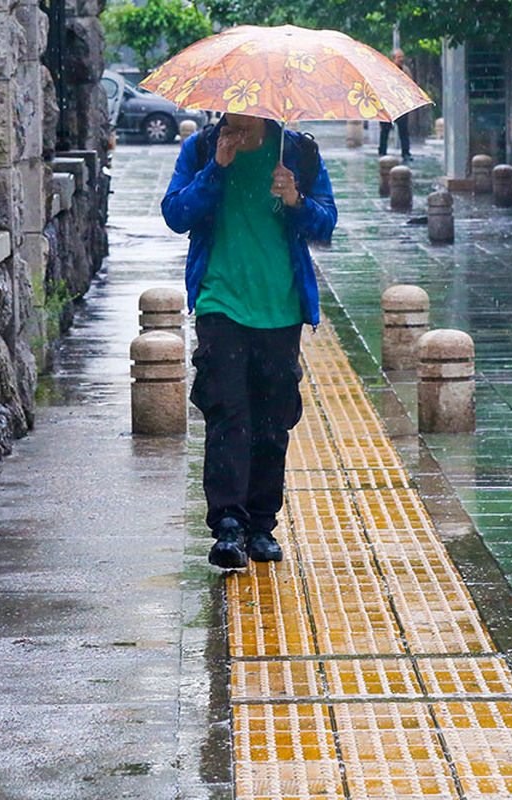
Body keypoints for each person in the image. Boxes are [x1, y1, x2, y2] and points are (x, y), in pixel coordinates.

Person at [161, 113, 337, 569]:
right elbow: (176, 214)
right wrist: (215, 169)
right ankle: (228, 526)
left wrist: (296, 200)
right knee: (227, 411)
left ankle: (262, 524)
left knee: (271, 419)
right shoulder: (201, 148)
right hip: (221, 303)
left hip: (280, 308)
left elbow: (327, 224)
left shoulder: (298, 152)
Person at [378, 49, 412, 161]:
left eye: (402, 57)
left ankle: (406, 152)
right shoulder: (385, 70)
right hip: (388, 106)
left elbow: (410, 85)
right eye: (398, 57)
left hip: (401, 105)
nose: (401, 59)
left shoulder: (405, 71)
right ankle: (382, 151)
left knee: (404, 131)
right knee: (385, 130)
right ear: (393, 59)